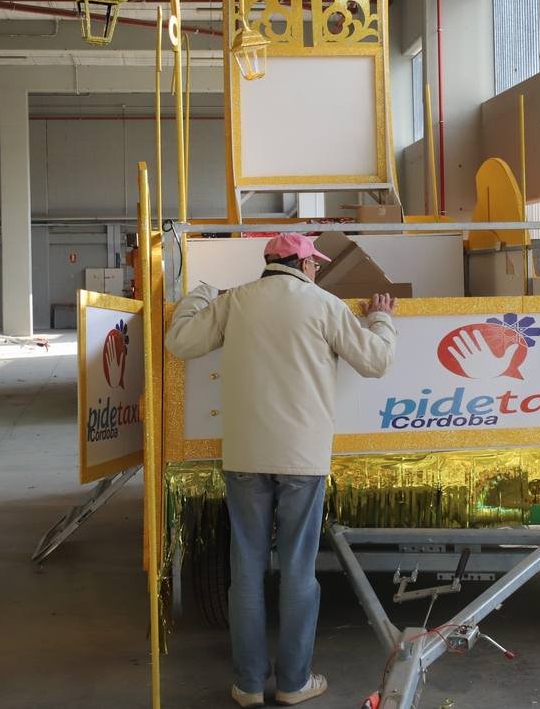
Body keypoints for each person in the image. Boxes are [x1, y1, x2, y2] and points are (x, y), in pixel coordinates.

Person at [165, 233, 397, 708]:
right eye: (315, 263)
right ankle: (294, 682)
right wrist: (382, 319)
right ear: (303, 264)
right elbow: (377, 361)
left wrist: (205, 291)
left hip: (245, 458)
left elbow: (180, 342)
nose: (317, 270)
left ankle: (248, 685)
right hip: (302, 460)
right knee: (297, 570)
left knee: (246, 568)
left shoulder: (238, 303)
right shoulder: (324, 304)